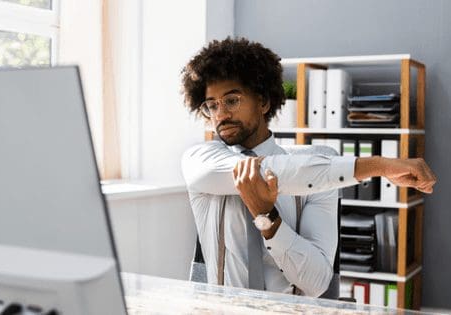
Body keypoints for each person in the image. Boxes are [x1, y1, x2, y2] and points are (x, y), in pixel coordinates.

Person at [180, 37, 436, 297]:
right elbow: (271, 169)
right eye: (212, 105)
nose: (220, 114)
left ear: (263, 102)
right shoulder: (200, 160)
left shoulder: (320, 180)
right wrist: (380, 165)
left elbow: (317, 284)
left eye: (232, 100)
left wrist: (269, 220)